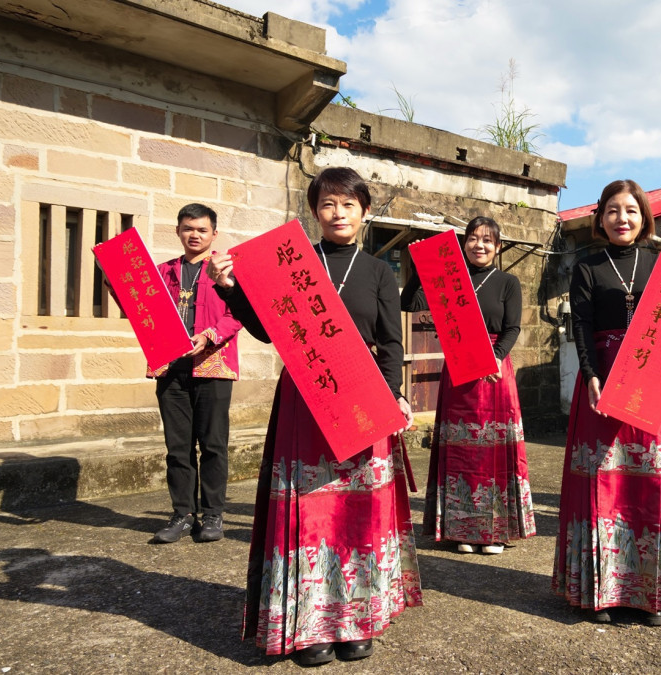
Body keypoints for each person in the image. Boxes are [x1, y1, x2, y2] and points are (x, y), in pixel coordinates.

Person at [207, 168, 419, 666]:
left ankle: (357, 620)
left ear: (365, 211)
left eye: (348, 204)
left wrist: (396, 395)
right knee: (311, 510)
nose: (338, 213)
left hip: (365, 396)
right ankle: (309, 624)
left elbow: (390, 343)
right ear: (315, 212)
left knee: (357, 509)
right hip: (306, 393)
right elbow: (265, 330)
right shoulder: (293, 263)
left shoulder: (379, 271)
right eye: (327, 204)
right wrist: (232, 288)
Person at [552, 179, 661, 627]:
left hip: (652, 383)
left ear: (644, 217)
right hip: (602, 381)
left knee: (650, 482)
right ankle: (602, 591)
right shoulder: (587, 266)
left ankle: (650, 591)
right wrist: (591, 375)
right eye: (613, 211)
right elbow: (580, 326)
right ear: (600, 218)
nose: (622, 219)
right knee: (603, 483)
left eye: (631, 211)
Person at [401, 217, 536, 554]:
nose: (480, 245)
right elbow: (410, 304)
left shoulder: (507, 281)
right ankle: (460, 528)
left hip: (494, 369)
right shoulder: (450, 280)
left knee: (495, 449)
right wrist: (420, 268)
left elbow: (512, 327)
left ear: (498, 247)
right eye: (474, 239)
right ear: (464, 244)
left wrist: (493, 357)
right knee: (461, 449)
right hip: (459, 369)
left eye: (488, 240)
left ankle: (497, 530)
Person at [150, 203, 242, 545]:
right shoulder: (162, 272)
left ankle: (213, 515)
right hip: (172, 367)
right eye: (188, 228)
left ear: (213, 234)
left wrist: (208, 336)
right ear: (177, 231)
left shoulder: (225, 271)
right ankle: (182, 514)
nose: (195, 235)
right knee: (177, 446)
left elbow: (237, 314)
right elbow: (142, 306)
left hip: (214, 365)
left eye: (202, 230)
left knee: (214, 445)